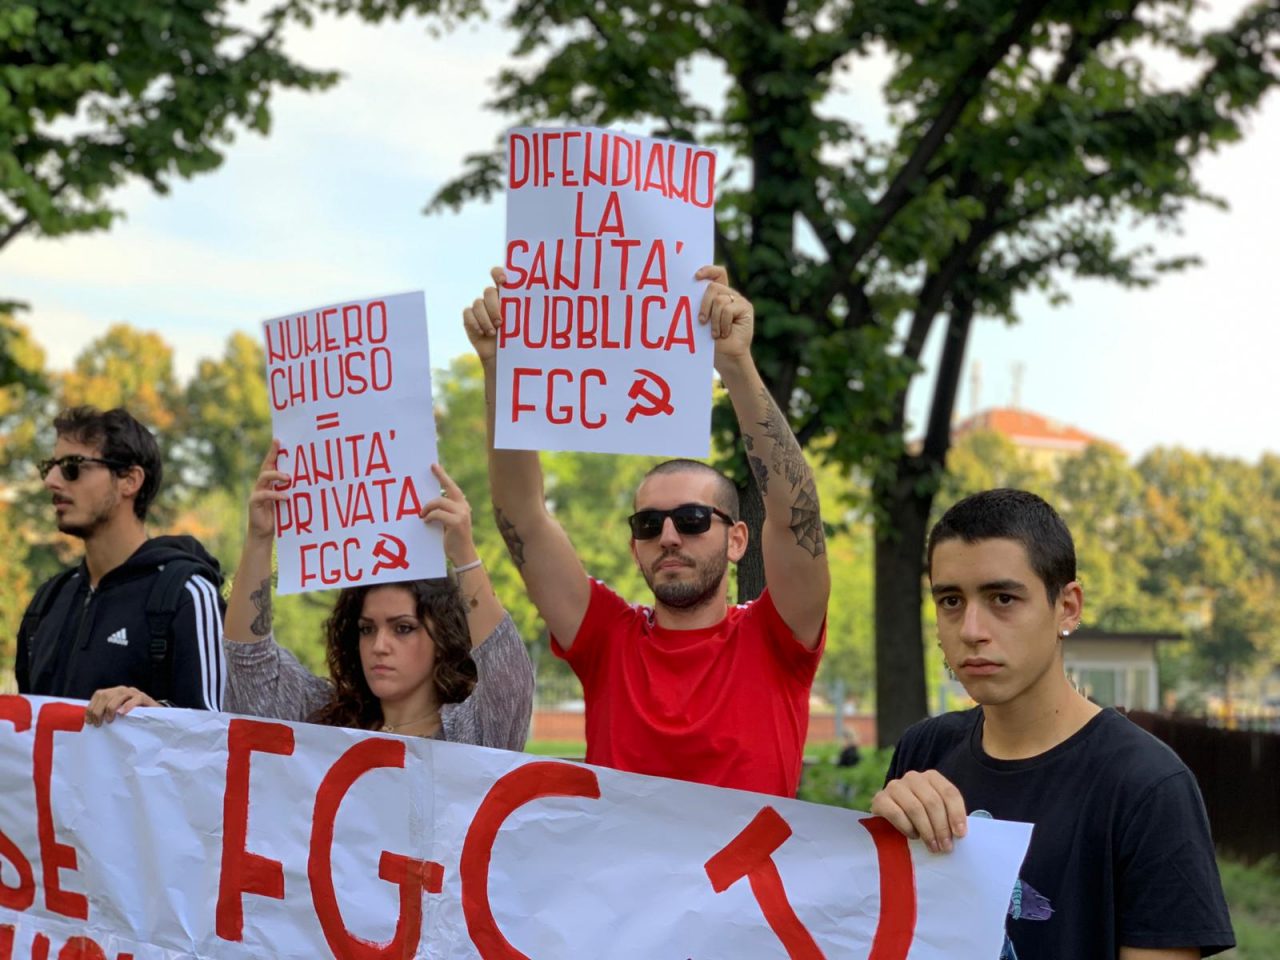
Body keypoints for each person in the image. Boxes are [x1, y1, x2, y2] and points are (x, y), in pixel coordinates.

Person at [462, 265, 830, 796]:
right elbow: (522, 516)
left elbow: (797, 517)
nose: (669, 537)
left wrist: (735, 365)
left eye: (693, 519)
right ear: (635, 548)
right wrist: (502, 367)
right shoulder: (607, 640)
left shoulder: (777, 638)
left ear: (737, 540)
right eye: (649, 524)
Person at [871, 489, 1234, 959]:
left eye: (1003, 598)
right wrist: (876, 847)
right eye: (951, 601)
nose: (971, 629)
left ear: (1067, 607)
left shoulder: (1148, 785)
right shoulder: (924, 751)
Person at [221, 443, 533, 750]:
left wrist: (464, 555)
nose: (379, 646)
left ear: (442, 639)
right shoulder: (322, 721)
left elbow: (507, 677)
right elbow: (250, 663)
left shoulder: (471, 735)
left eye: (403, 628)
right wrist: (260, 539)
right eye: (367, 629)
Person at [17, 406, 226, 724]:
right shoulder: (47, 602)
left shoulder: (187, 594)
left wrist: (155, 714)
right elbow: (27, 734)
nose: (51, 481)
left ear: (130, 480)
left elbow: (217, 734)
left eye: (72, 467)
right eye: (50, 466)